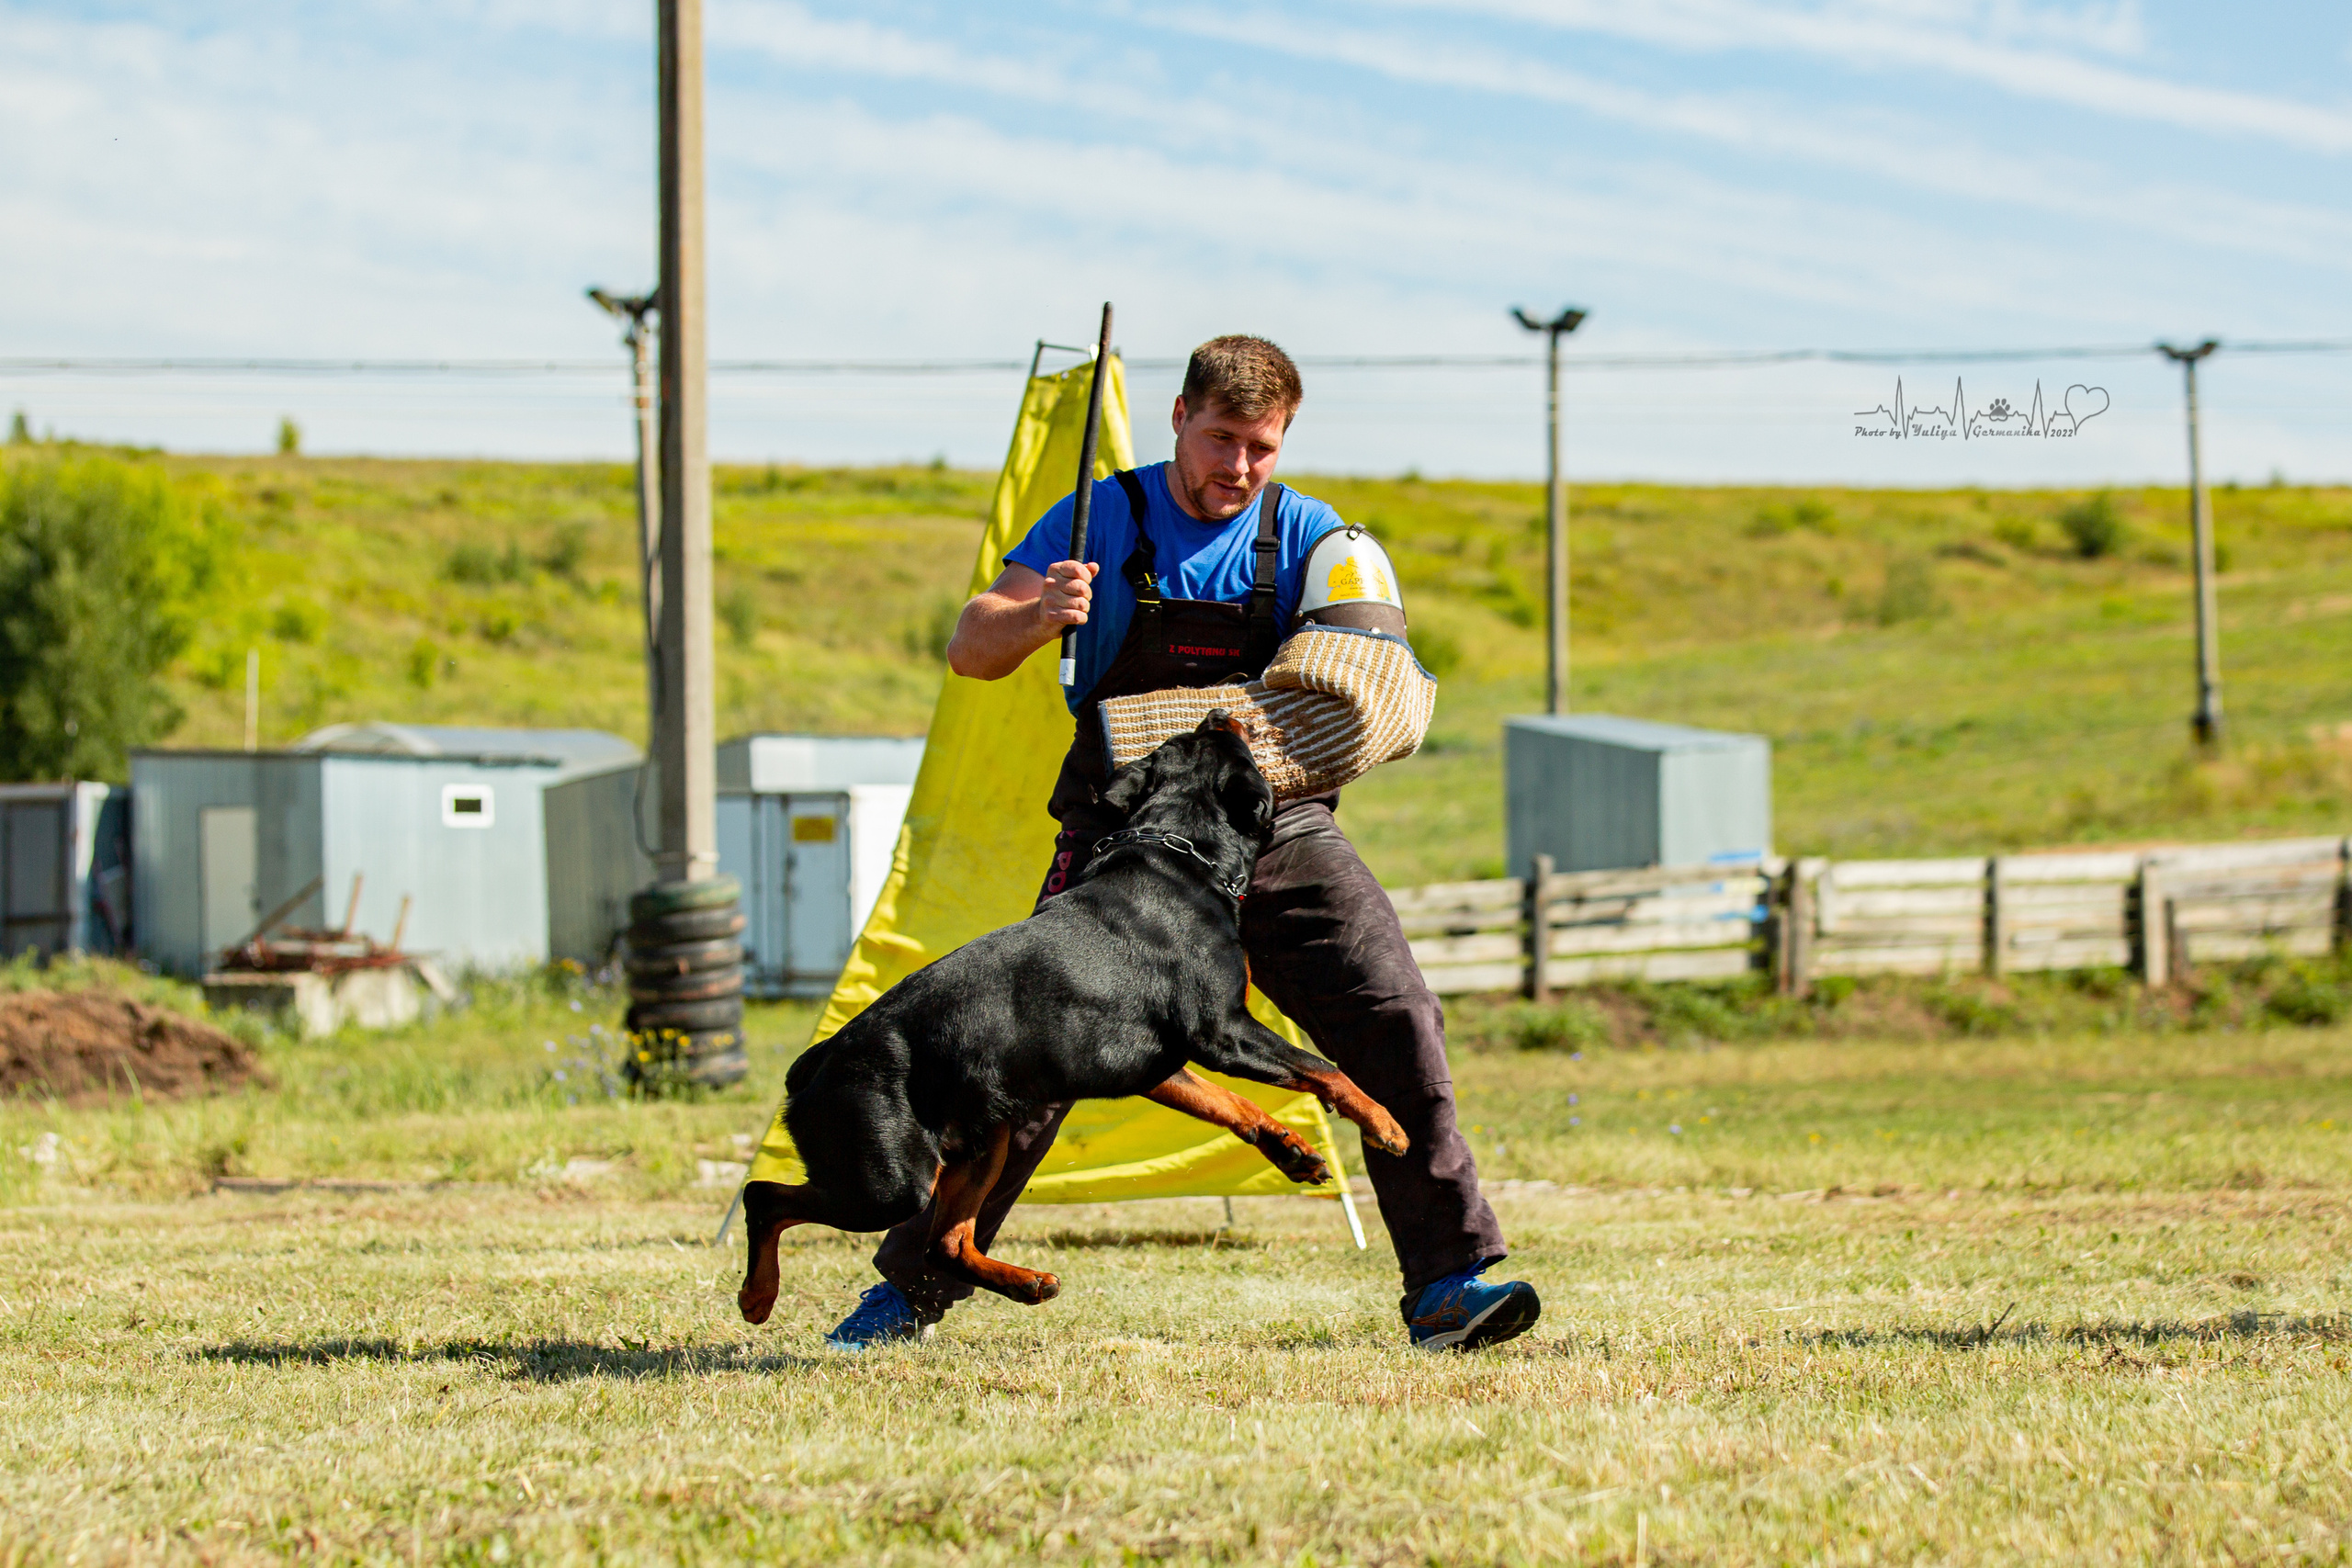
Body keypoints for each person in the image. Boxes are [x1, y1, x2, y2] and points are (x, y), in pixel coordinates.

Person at [823, 335, 1538, 1353]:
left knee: (1393, 1018)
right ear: (1177, 419)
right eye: (1220, 440)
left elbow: (1368, 692)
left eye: (1261, 446)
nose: (1237, 468)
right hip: (1124, 835)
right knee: (1027, 1063)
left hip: (1274, 825)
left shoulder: (1313, 535)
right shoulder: (1098, 517)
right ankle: (914, 1285)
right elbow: (969, 646)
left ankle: (1447, 1286)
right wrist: (1038, 617)